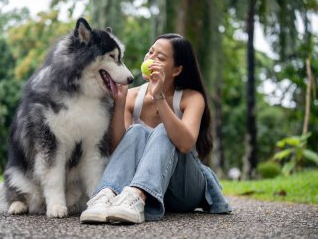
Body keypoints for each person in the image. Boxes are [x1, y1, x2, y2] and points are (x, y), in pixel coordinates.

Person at [80, 33, 231, 224]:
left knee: (163, 130)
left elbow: (185, 144)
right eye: (150, 52)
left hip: (183, 190)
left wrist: (158, 96)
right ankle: (106, 195)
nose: (150, 59)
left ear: (176, 70)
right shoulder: (132, 97)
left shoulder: (191, 98)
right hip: (144, 187)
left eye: (160, 58)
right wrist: (120, 102)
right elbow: (117, 151)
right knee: (136, 132)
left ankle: (137, 197)